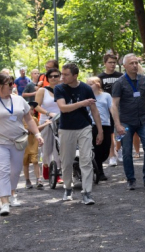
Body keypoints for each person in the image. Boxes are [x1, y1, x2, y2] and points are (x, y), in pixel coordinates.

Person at [0, 73, 44, 215]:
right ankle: (4, 202)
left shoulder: (19, 100)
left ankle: (12, 193)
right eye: (10, 84)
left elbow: (29, 119)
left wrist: (37, 134)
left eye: (13, 83)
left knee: (15, 171)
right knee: (2, 170)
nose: (13, 86)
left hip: (17, 141)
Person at [54, 63, 103, 204]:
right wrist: (82, 103)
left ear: (75, 75)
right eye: (62, 74)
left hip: (84, 127)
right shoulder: (59, 88)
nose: (62, 77)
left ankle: (87, 193)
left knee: (86, 159)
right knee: (67, 160)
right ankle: (68, 188)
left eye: (66, 74)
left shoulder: (86, 88)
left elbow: (94, 110)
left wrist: (100, 131)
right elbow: (63, 108)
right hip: (66, 128)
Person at [111, 53, 145, 191]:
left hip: (144, 120)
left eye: (136, 63)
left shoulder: (144, 81)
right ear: (124, 66)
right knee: (127, 152)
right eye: (131, 63)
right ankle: (131, 179)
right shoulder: (119, 83)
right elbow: (114, 105)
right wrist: (118, 124)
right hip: (126, 122)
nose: (135, 65)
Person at [35, 67, 62, 184]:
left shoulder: (63, 90)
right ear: (47, 78)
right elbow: (35, 105)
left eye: (56, 76)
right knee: (46, 148)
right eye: (51, 76)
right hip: (46, 121)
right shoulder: (42, 91)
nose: (53, 78)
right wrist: (47, 113)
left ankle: (58, 172)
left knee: (59, 147)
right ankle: (46, 166)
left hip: (61, 122)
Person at [98, 53, 123, 167]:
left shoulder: (121, 76)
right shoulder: (100, 78)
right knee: (110, 133)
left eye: (114, 63)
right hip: (106, 109)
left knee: (122, 130)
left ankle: (120, 149)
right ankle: (112, 154)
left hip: (120, 107)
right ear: (105, 63)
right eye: (110, 62)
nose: (112, 65)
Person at [86, 77, 113, 182]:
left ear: (98, 84)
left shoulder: (106, 96)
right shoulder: (87, 97)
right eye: (87, 84)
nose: (89, 86)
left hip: (106, 124)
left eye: (91, 84)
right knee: (97, 148)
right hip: (93, 125)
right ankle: (99, 172)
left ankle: (96, 165)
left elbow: (112, 108)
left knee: (106, 148)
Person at [22, 102, 42, 189]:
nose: (32, 111)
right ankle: (27, 180)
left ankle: (38, 179)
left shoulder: (34, 119)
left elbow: (37, 130)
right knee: (25, 163)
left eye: (33, 109)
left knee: (35, 161)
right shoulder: (21, 119)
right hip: (24, 144)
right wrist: (46, 123)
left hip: (33, 143)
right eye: (30, 109)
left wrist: (39, 137)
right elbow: (30, 130)